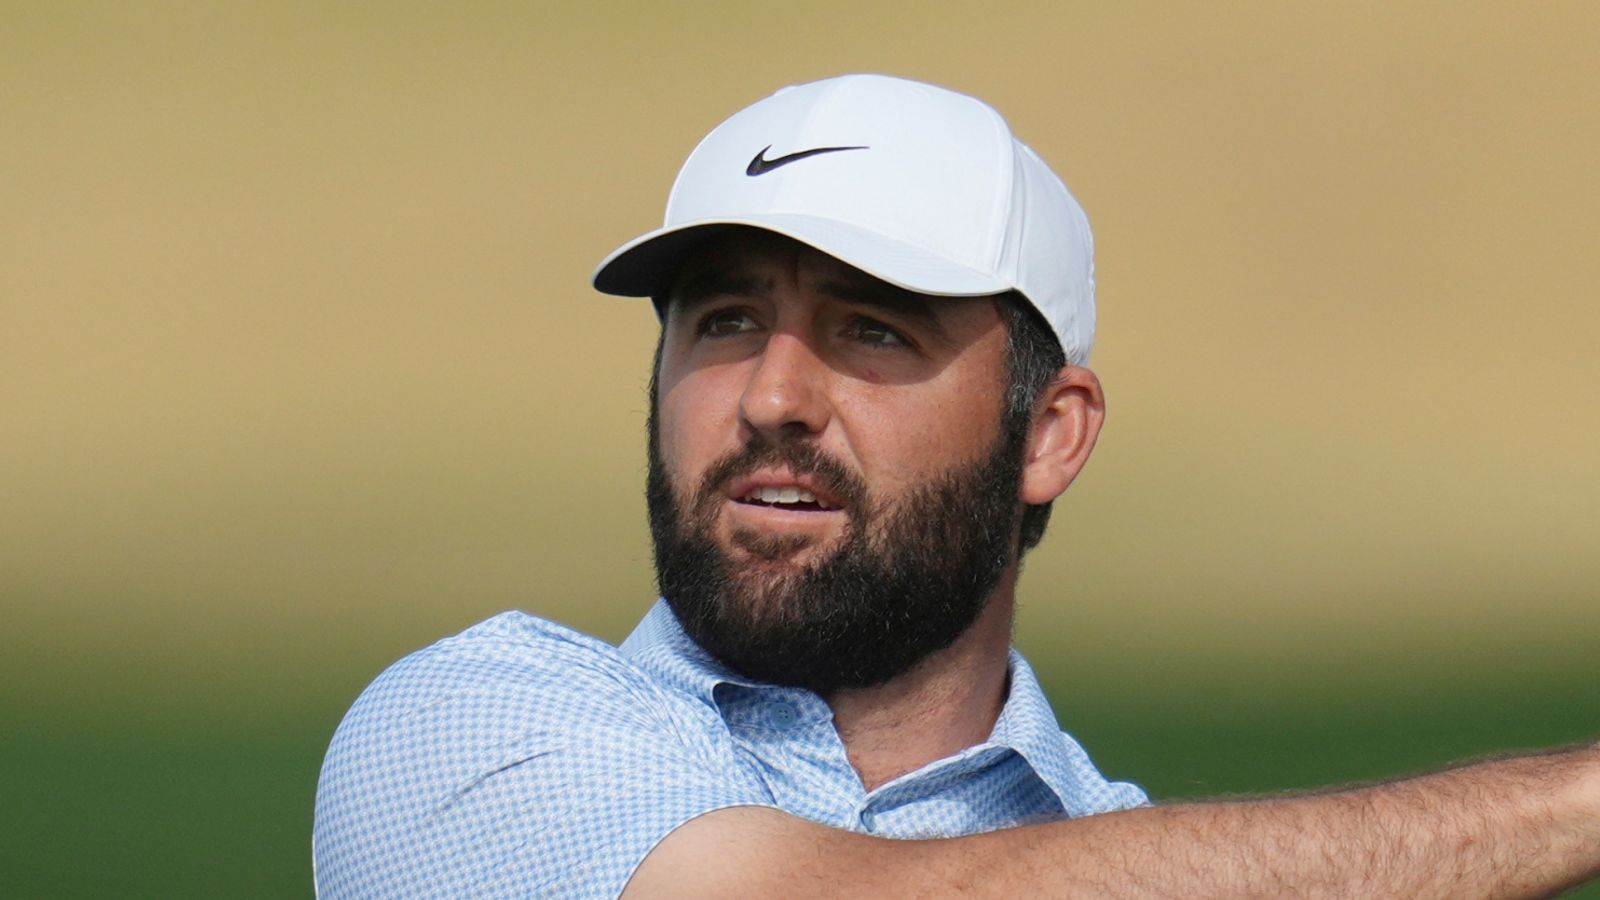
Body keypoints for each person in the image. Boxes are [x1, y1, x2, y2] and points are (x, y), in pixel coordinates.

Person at [313, 74, 1599, 898]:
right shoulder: (471, 729)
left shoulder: (1121, 845)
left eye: (872, 330)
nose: (771, 395)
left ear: (1050, 435)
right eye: (724, 321)